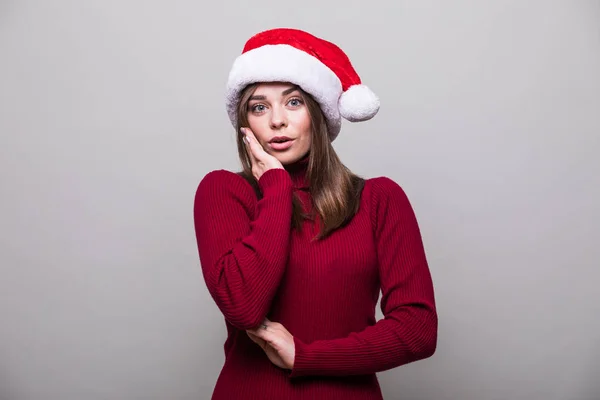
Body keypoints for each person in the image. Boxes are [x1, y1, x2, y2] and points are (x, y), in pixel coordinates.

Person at [193, 28, 437, 400]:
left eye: (293, 103)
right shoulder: (224, 192)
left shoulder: (379, 200)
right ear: (245, 124)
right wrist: (276, 186)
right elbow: (243, 306)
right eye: (260, 107)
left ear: (318, 113)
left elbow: (418, 329)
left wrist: (307, 357)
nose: (277, 121)